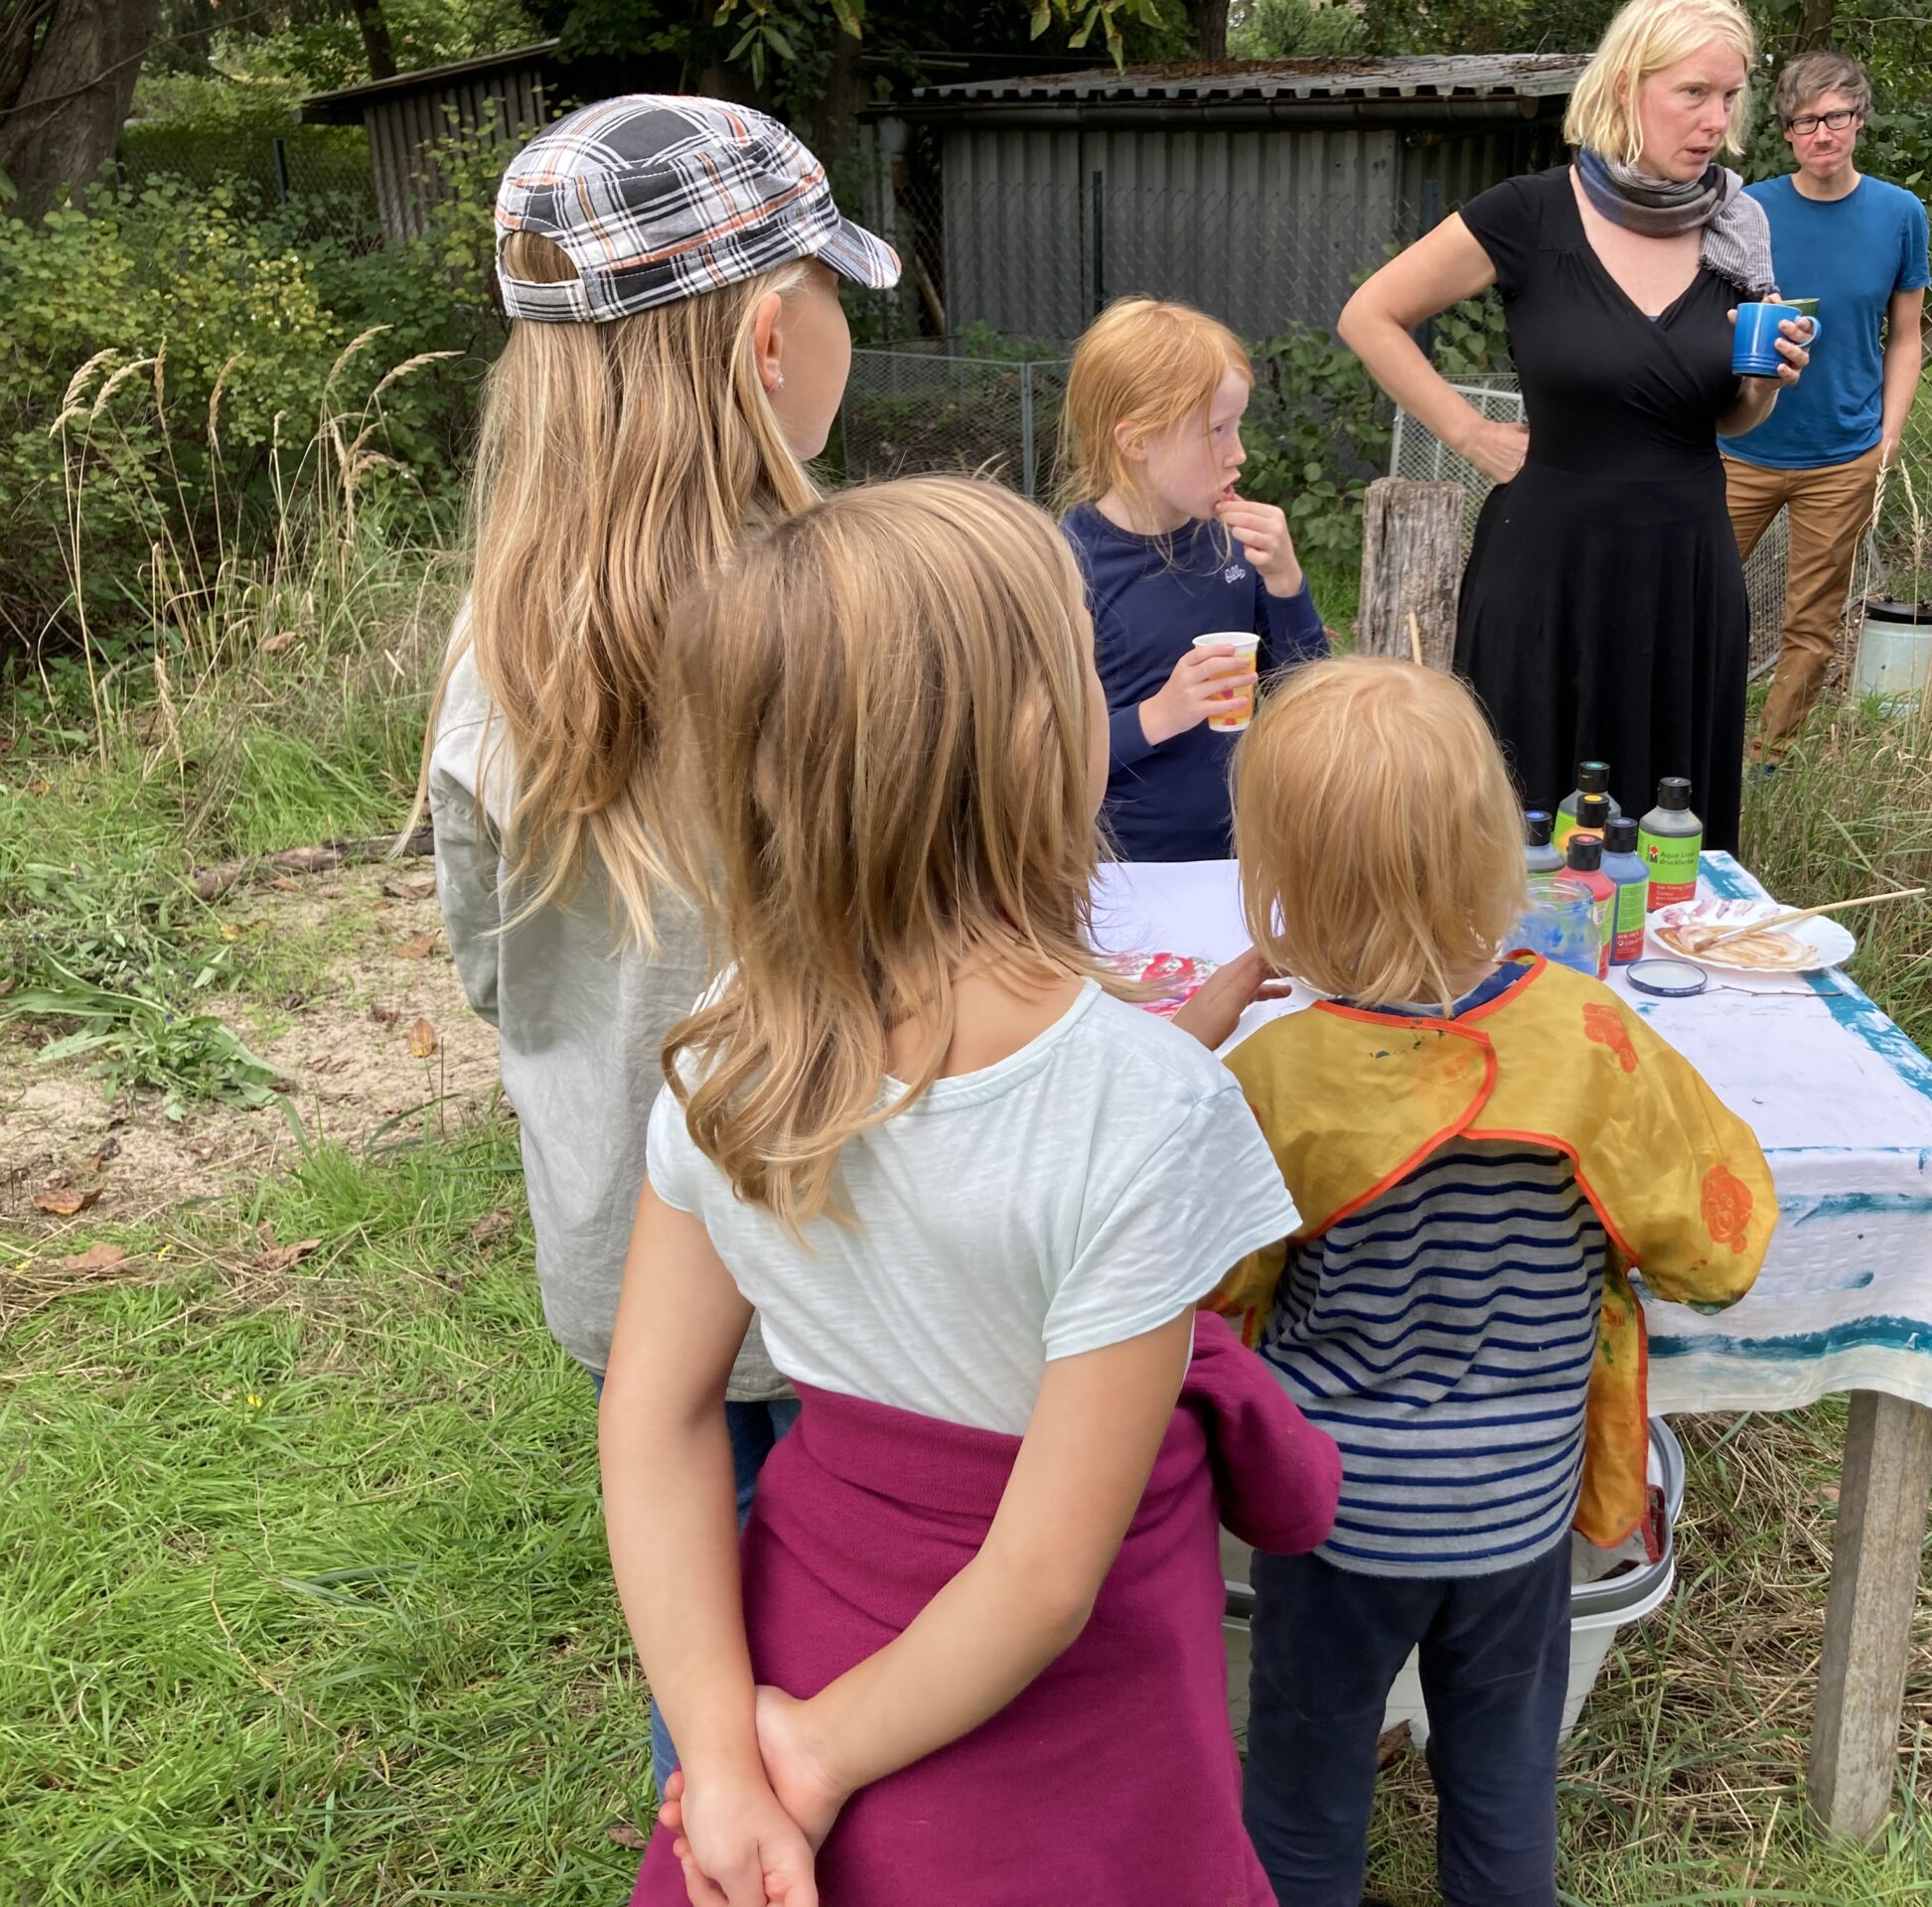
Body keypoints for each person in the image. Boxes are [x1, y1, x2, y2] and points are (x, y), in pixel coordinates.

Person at [609, 477, 1340, 1907]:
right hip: (1059, 1739)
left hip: (811, 1611)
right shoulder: (1146, 1106)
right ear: (1032, 739)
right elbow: (1044, 1577)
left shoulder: (734, 1039)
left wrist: (726, 1757)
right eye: (1081, 656)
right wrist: (808, 1760)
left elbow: (656, 1407)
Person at [422, 93, 899, 1793]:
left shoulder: (501, 639)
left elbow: (488, 964)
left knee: (694, 1613)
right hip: (854, 1267)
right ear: (773, 335)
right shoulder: (850, 617)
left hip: (630, 1266)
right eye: (837, 292)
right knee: (859, 1634)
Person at [1214, 655, 1778, 1907]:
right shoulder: (1593, 1036)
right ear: (1493, 846)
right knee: (1505, 1790)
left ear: (1285, 881)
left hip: (1336, 1513)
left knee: (1303, 1791)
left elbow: (1211, 1288)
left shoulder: (1281, 1076)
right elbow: (1718, 1247)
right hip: (1518, 1504)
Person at [1337, 0, 1810, 858]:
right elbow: (1370, 315)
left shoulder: (1738, 227)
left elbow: (1735, 416)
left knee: (1670, 842)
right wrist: (1470, 433)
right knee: (1522, 833)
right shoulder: (1530, 215)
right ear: (1627, 85)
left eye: (1730, 97)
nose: (1717, 122)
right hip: (1544, 573)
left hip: (1685, 575)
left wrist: (1767, 381)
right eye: (1694, 92)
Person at [1057, 297, 1330, 862]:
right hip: (1123, 870)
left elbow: (1309, 696)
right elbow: (1041, 761)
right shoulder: (1064, 566)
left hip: (1245, 851)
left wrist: (1286, 582)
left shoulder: (1231, 540)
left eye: (1238, 425)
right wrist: (1161, 714)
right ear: (1136, 442)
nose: (1240, 454)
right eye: (1216, 430)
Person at [1718, 48, 1929, 768]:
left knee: (1812, 622)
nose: (1823, 133)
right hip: (1739, 449)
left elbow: (1906, 338)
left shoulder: (1901, 214)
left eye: (1837, 116)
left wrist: (1888, 438)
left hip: (1842, 454)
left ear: (1860, 120)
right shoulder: (1747, 208)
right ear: (1786, 132)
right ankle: (1693, 737)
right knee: (1698, 596)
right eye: (1806, 121)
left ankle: (1767, 759)